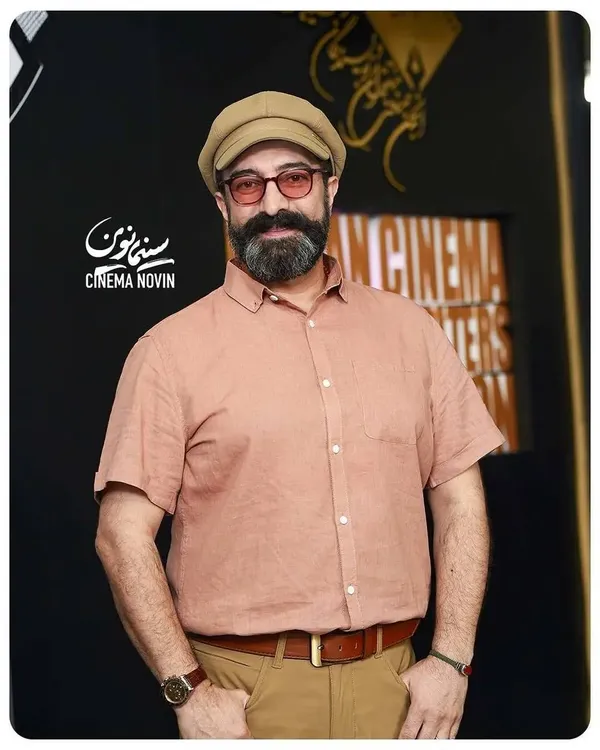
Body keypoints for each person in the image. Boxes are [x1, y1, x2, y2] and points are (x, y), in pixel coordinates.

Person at [94, 91, 505, 740]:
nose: (273, 204)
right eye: (248, 185)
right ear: (223, 204)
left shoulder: (414, 332)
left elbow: (460, 502)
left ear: (328, 188)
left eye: (294, 179)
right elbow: (121, 535)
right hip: (244, 695)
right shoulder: (168, 353)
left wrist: (452, 660)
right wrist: (186, 689)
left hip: (396, 691)